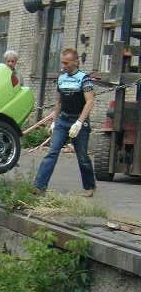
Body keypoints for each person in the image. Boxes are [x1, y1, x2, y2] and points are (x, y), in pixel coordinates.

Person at [34, 48, 96, 197]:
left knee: (82, 157)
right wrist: (54, 122)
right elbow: (59, 102)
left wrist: (80, 122)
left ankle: (89, 186)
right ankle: (39, 186)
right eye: (62, 62)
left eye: (66, 63)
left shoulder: (84, 79)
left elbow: (90, 102)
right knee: (52, 152)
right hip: (63, 120)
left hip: (78, 121)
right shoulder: (61, 78)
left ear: (75, 62)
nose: (64, 66)